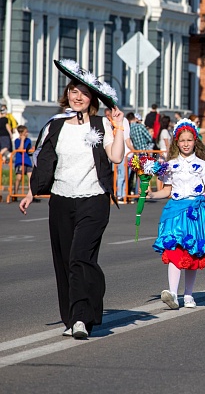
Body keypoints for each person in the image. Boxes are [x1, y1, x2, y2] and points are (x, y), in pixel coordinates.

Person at [19, 58, 124, 339]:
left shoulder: (103, 124)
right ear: (67, 95)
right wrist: (31, 192)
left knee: (80, 257)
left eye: (84, 92)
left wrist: (119, 128)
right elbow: (45, 163)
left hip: (94, 200)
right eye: (73, 91)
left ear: (92, 98)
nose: (77, 96)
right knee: (65, 261)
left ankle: (80, 319)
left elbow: (115, 157)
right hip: (62, 201)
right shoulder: (56, 126)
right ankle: (74, 315)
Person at [148, 118, 205, 310]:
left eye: (189, 140)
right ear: (176, 142)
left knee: (192, 253)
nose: (185, 144)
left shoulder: (203, 165)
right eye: (182, 140)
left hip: (195, 212)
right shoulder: (170, 165)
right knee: (174, 250)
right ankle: (173, 294)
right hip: (174, 212)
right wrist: (152, 193)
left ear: (195, 141)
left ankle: (189, 295)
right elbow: (167, 190)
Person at [105, 108, 131, 201]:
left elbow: (126, 138)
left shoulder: (121, 122)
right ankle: (120, 194)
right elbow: (127, 140)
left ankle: (122, 194)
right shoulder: (108, 123)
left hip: (124, 152)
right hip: (122, 153)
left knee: (123, 175)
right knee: (121, 175)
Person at [9, 125, 32, 202]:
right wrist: (22, 140)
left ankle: (31, 194)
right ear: (21, 133)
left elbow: (29, 150)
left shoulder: (28, 140)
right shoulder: (17, 141)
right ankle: (15, 193)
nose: (27, 133)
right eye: (25, 132)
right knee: (19, 177)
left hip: (27, 161)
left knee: (30, 178)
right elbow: (20, 149)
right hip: (20, 161)